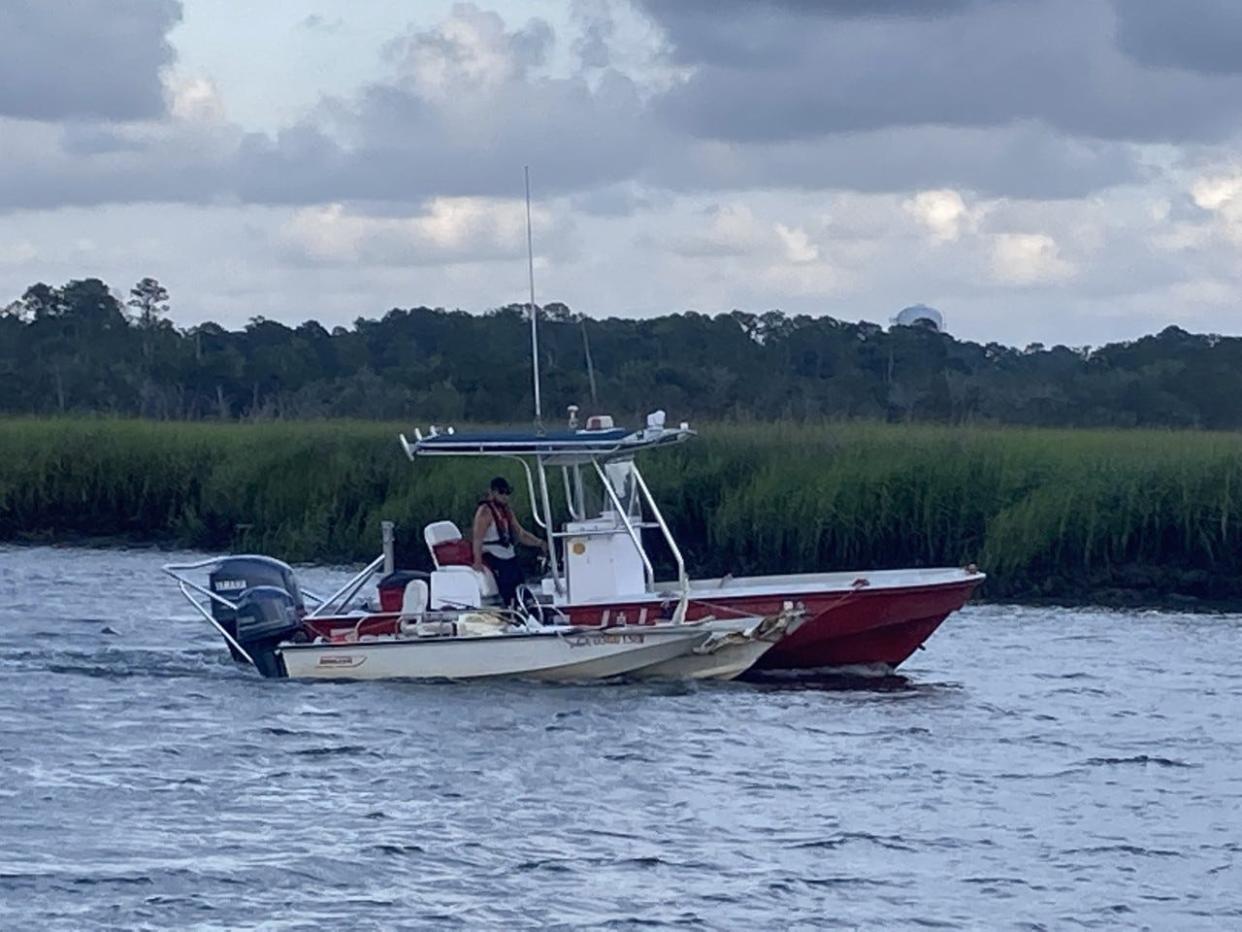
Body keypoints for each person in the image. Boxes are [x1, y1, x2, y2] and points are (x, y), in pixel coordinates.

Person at [472, 476, 547, 607]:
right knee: (508, 582)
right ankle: (511, 607)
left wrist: (540, 543)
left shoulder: (506, 511)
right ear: (493, 493)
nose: (505, 496)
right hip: (491, 552)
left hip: (507, 552)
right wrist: (477, 562)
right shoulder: (485, 512)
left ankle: (527, 606)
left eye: (507, 493)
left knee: (519, 581)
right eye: (502, 493)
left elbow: (521, 533)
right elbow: (477, 538)